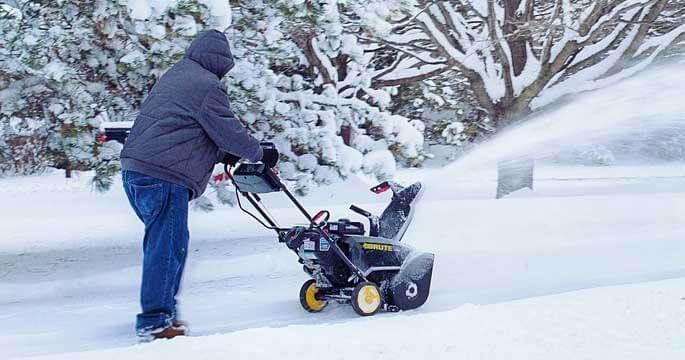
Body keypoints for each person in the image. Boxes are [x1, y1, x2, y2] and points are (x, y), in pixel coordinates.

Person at [119, 30, 279, 341]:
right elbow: (227, 129)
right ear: (221, 62)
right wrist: (260, 153)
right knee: (167, 249)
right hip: (162, 176)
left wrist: (223, 153)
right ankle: (155, 320)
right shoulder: (207, 85)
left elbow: (186, 130)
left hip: (136, 172)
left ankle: (164, 312)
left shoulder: (177, 76)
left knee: (166, 246)